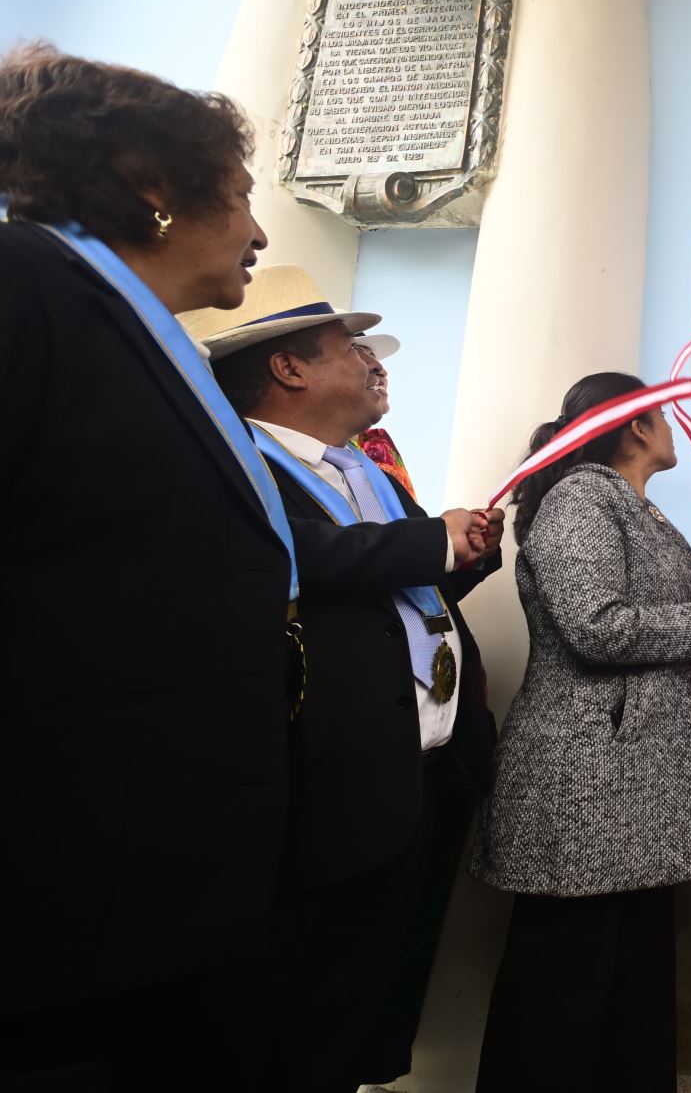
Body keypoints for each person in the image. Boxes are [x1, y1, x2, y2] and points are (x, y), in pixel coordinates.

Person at [0, 44, 406, 1087]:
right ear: (151, 188)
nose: (261, 227)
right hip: (66, 881)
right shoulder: (27, 288)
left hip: (147, 884)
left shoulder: (144, 337)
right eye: (236, 193)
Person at [198, 268, 501, 1091]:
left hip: (413, 776)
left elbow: (397, 591)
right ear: (289, 369)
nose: (372, 362)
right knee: (286, 1003)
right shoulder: (237, 465)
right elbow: (301, 560)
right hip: (320, 784)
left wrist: (461, 555)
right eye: (350, 347)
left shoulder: (365, 470)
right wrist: (430, 543)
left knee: (359, 1000)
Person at [471, 372, 691, 1091]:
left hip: (629, 784)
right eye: (662, 414)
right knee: (561, 996)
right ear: (633, 426)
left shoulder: (632, 506)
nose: (673, 426)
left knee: (629, 988)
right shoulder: (582, 497)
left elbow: (645, 595)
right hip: (586, 780)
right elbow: (598, 624)